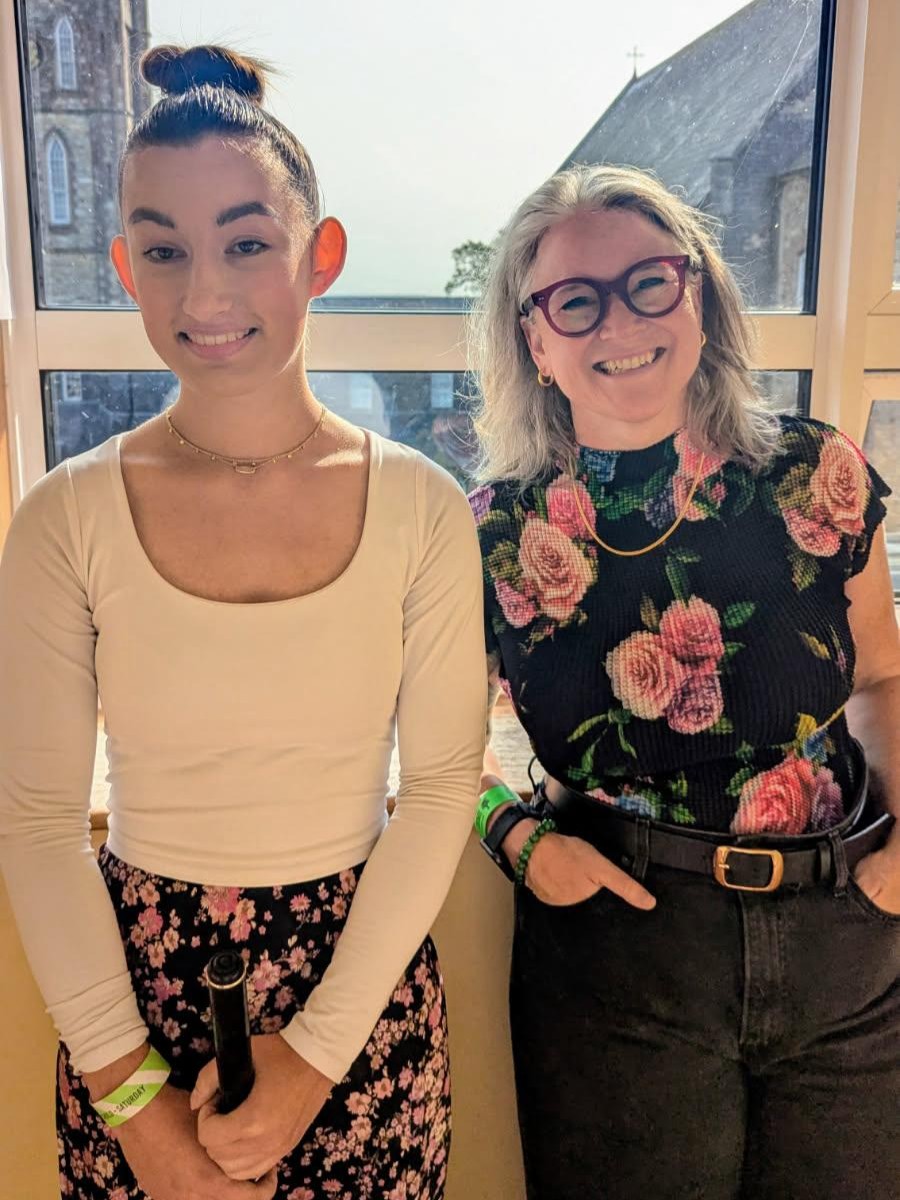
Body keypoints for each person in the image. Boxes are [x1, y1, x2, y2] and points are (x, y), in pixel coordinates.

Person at [0, 45, 485, 1200]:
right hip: (135, 1006)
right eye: (163, 250)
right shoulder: (64, 517)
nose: (204, 294)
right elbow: (34, 822)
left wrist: (314, 1062)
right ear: (123, 264)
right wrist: (140, 1115)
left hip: (360, 998)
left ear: (321, 256)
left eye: (246, 243)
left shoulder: (420, 505)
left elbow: (439, 787)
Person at [467, 163, 900, 1200]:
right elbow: (441, 754)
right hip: (622, 956)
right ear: (535, 338)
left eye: (649, 282)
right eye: (575, 299)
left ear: (696, 293)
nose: (619, 320)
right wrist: (520, 843)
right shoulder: (493, 530)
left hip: (848, 939)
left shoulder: (815, 474)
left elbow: (884, 675)